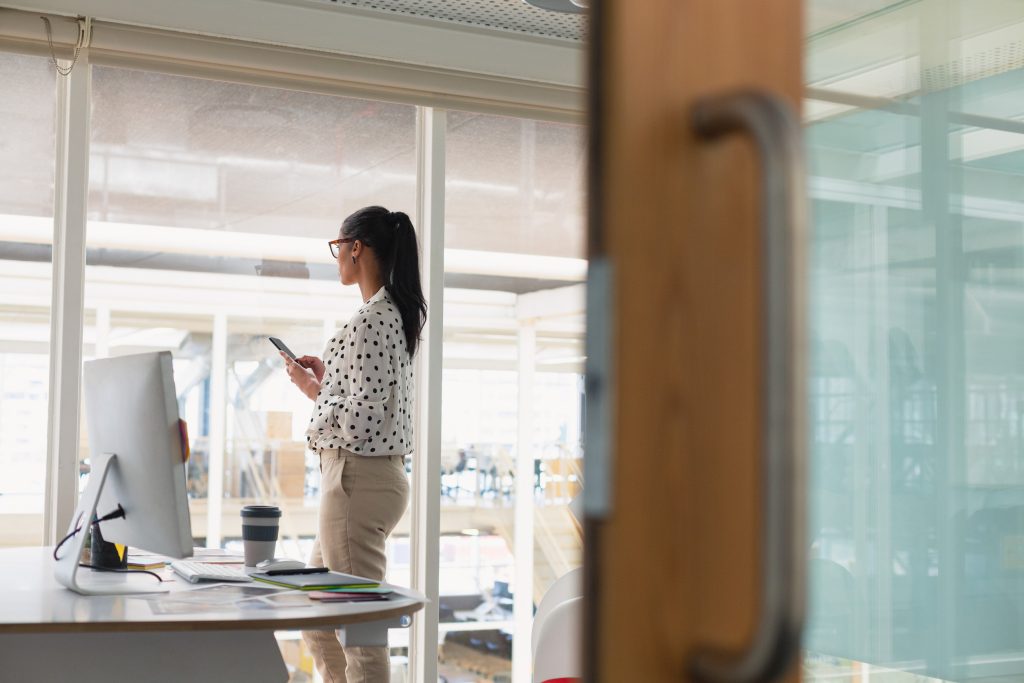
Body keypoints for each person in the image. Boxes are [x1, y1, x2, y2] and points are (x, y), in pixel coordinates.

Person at [282, 205, 426, 682]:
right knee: (319, 615)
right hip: (365, 478)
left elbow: (361, 420)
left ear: (356, 248)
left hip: (356, 481)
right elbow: (367, 403)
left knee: (360, 633)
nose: (337, 255)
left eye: (337, 247)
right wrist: (319, 386)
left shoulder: (371, 321)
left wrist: (316, 401)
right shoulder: (388, 315)